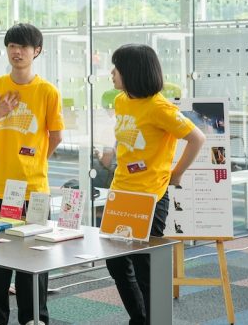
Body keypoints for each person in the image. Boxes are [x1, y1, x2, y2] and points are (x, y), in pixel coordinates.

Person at [106, 44, 205, 325]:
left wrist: (177, 173)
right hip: (121, 193)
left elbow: (197, 138)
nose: (112, 73)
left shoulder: (160, 107)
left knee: (145, 267)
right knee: (116, 263)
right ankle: (140, 319)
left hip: (150, 196)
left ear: (133, 71)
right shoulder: (121, 101)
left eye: (117, 68)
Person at [0, 23, 64, 325]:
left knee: (34, 255)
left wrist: (37, 163)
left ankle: (34, 317)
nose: (17, 51)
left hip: (34, 190)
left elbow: (56, 136)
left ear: (36, 51)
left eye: (23, 46)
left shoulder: (47, 91)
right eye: (12, 45)